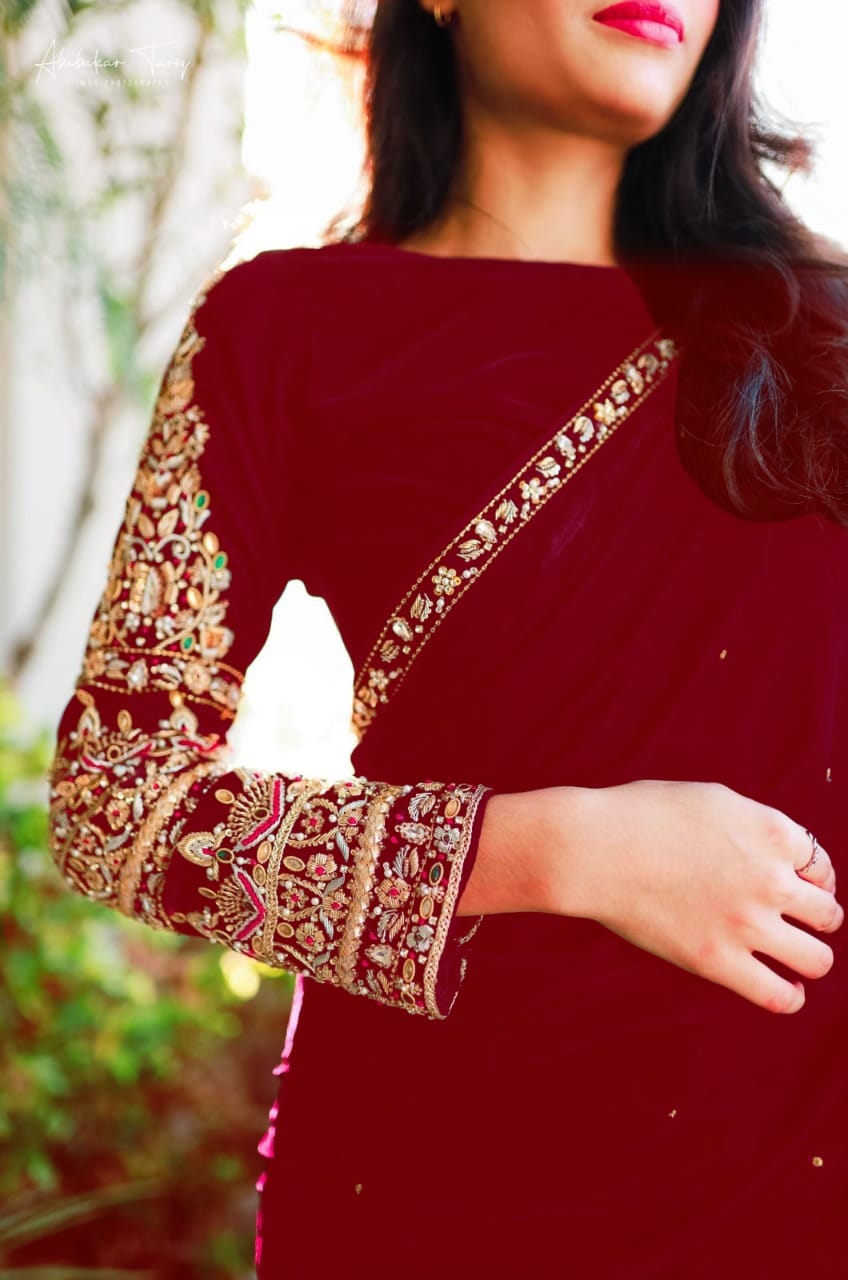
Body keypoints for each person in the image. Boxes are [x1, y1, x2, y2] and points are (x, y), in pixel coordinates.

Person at [47, 0, 848, 1275]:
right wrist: (563, 848)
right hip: (439, 1194)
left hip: (797, 1193)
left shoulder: (822, 339)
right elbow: (117, 804)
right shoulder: (281, 330)